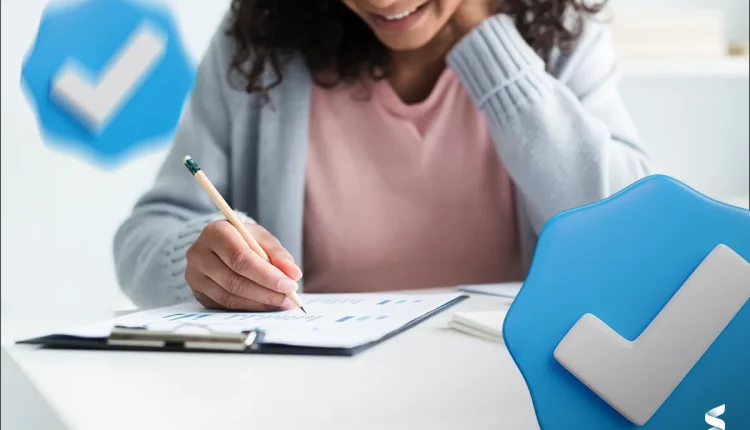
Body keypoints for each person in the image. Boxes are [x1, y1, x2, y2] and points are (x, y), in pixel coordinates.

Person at [114, 0, 655, 311]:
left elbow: (627, 239)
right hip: (317, 394)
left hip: (509, 389)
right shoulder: (258, 43)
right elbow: (147, 231)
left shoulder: (560, 33)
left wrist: (490, 42)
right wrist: (203, 257)